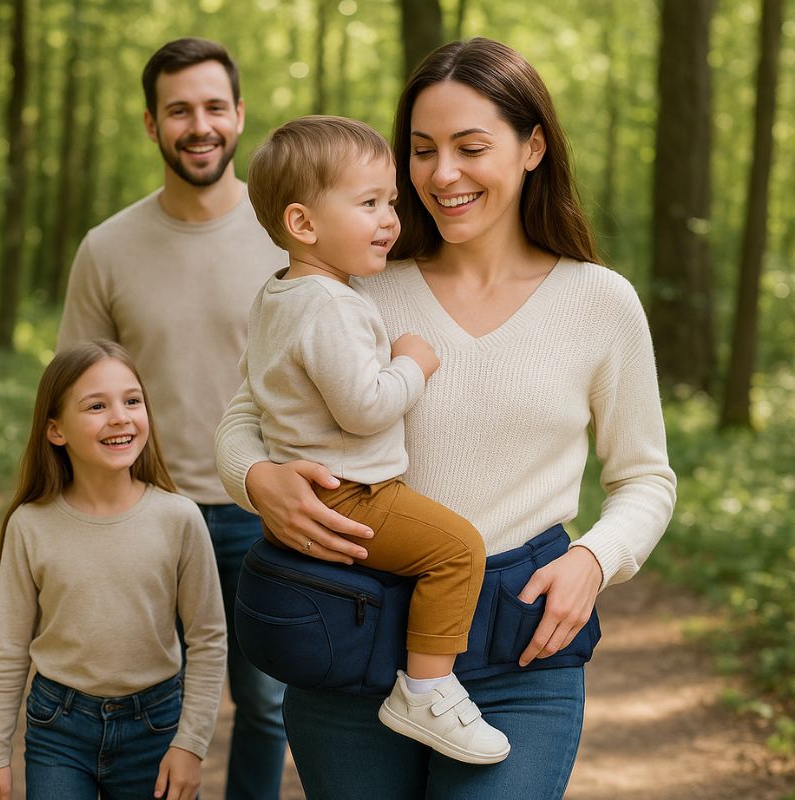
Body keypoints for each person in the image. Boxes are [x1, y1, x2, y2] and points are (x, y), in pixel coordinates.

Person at [215, 37, 676, 799]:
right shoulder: (355, 284)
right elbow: (244, 415)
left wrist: (596, 559)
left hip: (517, 649)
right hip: (350, 630)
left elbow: (645, 477)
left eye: (470, 147)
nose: (442, 174)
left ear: (532, 148)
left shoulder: (600, 302)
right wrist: (257, 477)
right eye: (422, 151)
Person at [56, 38, 287, 799]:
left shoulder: (292, 234)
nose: (200, 125)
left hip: (269, 514)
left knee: (264, 704)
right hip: (150, 516)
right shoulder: (107, 248)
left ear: (239, 115)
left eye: (214, 107)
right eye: (179, 110)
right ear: (152, 124)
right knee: (152, 707)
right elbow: (80, 396)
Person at [240, 114, 510, 763]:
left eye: (390, 200)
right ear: (303, 224)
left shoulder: (283, 293)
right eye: (369, 204)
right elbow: (365, 407)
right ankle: (426, 688)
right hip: (351, 492)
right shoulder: (330, 304)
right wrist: (413, 361)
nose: (390, 218)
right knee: (457, 551)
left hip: (322, 487)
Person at [0, 340, 227, 800]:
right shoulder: (30, 524)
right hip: (57, 728)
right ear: (55, 431)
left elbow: (208, 638)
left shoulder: (179, 518)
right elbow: (8, 648)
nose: (120, 416)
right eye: (96, 405)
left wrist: (191, 744)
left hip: (157, 727)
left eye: (132, 400)